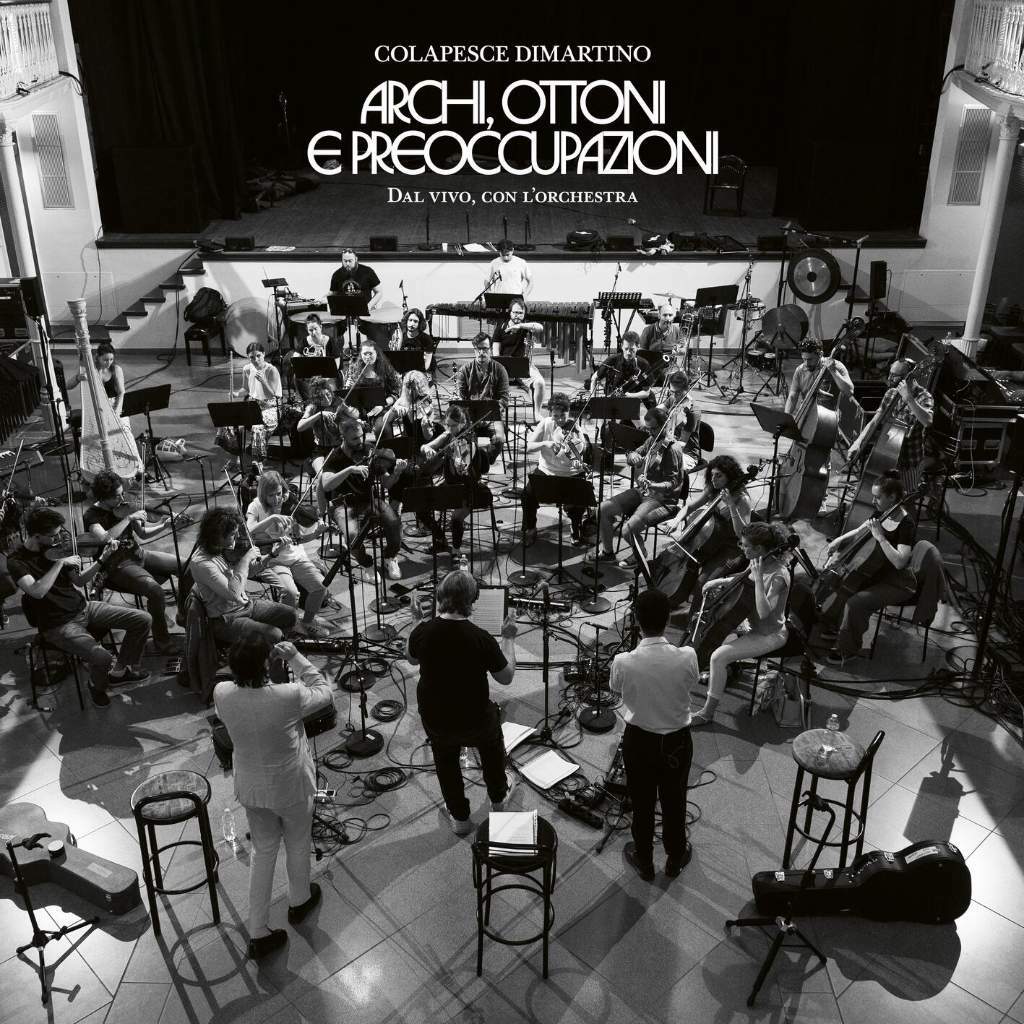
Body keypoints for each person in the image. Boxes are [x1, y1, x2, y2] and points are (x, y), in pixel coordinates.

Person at [213, 636, 329, 959]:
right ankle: (299, 901)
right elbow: (324, 691)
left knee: (263, 852)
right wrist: (295, 658)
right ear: (266, 663)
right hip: (290, 786)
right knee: (297, 842)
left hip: (252, 788)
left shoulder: (221, 692)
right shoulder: (287, 695)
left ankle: (258, 932)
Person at [406, 570, 518, 835]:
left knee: (445, 761)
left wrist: (416, 622)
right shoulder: (481, 637)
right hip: (475, 717)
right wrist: (509, 638)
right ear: (472, 600)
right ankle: (498, 799)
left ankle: (460, 819)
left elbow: (411, 658)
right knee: (491, 750)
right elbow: (506, 677)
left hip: (436, 716)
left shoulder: (423, 632)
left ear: (440, 596)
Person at [9, 506, 151, 708]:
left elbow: (80, 580)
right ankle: (96, 686)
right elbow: (37, 591)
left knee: (142, 619)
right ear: (37, 536)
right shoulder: (16, 561)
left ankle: (119, 673)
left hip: (84, 607)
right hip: (58, 624)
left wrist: (102, 559)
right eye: (53, 536)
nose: (58, 539)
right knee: (102, 658)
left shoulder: (57, 549)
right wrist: (59, 563)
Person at [609, 588, 696, 880]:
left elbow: (615, 689)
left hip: (639, 740)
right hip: (676, 742)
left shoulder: (623, 661)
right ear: (669, 619)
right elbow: (691, 683)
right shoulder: (688, 656)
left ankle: (644, 860)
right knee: (675, 800)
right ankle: (675, 857)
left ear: (636, 620)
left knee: (642, 801)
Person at [690, 521, 792, 726]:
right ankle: (715, 672)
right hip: (751, 624)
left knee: (718, 657)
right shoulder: (756, 561)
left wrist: (760, 579)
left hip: (769, 634)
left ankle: (707, 713)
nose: (742, 549)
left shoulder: (779, 576)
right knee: (714, 628)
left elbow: (764, 612)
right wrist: (719, 581)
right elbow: (744, 579)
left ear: (759, 549)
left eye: (745, 546)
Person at [82, 469, 191, 654]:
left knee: (187, 566)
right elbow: (106, 538)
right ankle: (162, 641)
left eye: (122, 493)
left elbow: (143, 534)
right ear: (104, 497)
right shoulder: (91, 516)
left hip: (137, 554)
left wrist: (164, 525)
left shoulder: (123, 508)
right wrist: (129, 518)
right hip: (116, 565)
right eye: (117, 496)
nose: (122, 498)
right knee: (155, 592)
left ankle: (183, 614)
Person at [819, 471, 916, 665]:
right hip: (876, 573)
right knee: (846, 585)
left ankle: (847, 649)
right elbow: (861, 529)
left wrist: (881, 537)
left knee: (856, 603)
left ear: (892, 497)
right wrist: (839, 540)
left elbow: (900, 562)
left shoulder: (906, 523)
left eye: (877, 497)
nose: (873, 501)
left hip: (896, 582)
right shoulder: (883, 511)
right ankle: (839, 627)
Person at [189, 507, 296, 644]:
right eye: (233, 534)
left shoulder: (221, 548)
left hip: (246, 605)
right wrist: (246, 559)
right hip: (226, 618)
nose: (238, 537)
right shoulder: (202, 563)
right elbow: (233, 593)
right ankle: (264, 651)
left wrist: (272, 554)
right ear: (218, 536)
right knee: (274, 634)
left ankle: (271, 648)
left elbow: (249, 572)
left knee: (290, 615)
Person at [245, 471, 333, 638]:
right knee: (290, 593)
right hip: (274, 559)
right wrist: (272, 518)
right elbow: (249, 530)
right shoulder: (255, 506)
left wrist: (316, 533)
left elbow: (299, 540)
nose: (277, 499)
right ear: (263, 494)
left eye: (279, 493)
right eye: (271, 495)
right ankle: (289, 628)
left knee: (320, 587)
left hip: (295, 557)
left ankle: (307, 622)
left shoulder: (289, 503)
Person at [659, 455, 753, 608]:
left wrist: (731, 506)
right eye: (712, 475)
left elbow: (742, 535)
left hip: (732, 548)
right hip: (709, 543)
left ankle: (695, 617)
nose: (713, 479)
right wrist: (676, 520)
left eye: (719, 476)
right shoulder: (713, 489)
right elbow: (689, 507)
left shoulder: (742, 499)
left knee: (703, 583)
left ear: (730, 476)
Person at [597, 407, 687, 567]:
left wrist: (652, 484)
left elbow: (672, 483)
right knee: (603, 509)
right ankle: (607, 552)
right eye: (648, 429)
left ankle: (640, 554)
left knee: (627, 530)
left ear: (665, 425)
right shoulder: (652, 440)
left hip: (662, 500)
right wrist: (633, 456)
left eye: (654, 429)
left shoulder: (673, 449)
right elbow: (634, 453)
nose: (651, 432)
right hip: (643, 491)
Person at [319, 417, 406, 580]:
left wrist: (396, 473)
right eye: (355, 439)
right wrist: (349, 470)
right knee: (353, 538)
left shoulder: (369, 451)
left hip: (369, 500)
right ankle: (367, 564)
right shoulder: (335, 456)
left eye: (361, 436)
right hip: (344, 505)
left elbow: (386, 483)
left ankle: (390, 557)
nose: (360, 441)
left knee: (394, 523)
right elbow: (326, 484)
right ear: (343, 438)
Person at [420, 403, 494, 563]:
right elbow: (424, 446)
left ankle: (456, 549)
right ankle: (440, 538)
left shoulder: (470, 443)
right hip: (449, 485)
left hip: (468, 488)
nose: (450, 428)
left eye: (453, 426)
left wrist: (457, 460)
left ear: (463, 423)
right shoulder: (448, 435)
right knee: (420, 506)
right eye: (447, 424)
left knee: (456, 518)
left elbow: (462, 471)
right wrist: (427, 449)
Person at [847, 358, 935, 490]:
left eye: (895, 376)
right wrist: (858, 443)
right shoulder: (891, 393)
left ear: (909, 377)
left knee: (905, 496)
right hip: (886, 453)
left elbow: (927, 421)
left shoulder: (924, 397)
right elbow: (875, 421)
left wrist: (909, 398)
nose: (889, 378)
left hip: (909, 460)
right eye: (890, 374)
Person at [522, 391, 591, 547]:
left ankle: (575, 527)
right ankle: (531, 528)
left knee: (580, 496)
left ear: (569, 412)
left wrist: (577, 457)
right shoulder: (546, 424)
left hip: (570, 474)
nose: (559, 420)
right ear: (550, 413)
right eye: (556, 416)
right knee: (527, 495)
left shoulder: (575, 428)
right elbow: (528, 447)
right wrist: (545, 443)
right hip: (546, 471)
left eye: (563, 416)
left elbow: (581, 452)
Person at [491, 297, 546, 422]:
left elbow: (540, 327)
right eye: (515, 312)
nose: (517, 315)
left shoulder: (526, 327)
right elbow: (495, 352)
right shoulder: (500, 328)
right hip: (504, 366)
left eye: (521, 313)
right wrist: (500, 370)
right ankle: (496, 414)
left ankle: (537, 414)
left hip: (523, 366)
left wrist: (520, 326)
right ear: (510, 313)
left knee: (540, 383)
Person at [454, 331, 508, 456]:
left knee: (499, 439)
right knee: (461, 438)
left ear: (490, 350)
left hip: (492, 417)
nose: (481, 352)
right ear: (474, 350)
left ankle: (484, 460)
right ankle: (474, 460)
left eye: (485, 349)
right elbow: (461, 398)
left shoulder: (500, 370)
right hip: (470, 417)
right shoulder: (464, 370)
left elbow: (504, 399)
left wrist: (488, 415)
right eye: (478, 349)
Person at [783, 337, 854, 417]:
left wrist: (833, 371)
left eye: (810, 359)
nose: (806, 364)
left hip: (830, 416)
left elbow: (849, 392)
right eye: (804, 359)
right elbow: (792, 397)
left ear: (820, 354)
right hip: (807, 414)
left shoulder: (836, 366)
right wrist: (786, 418)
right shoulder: (800, 370)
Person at [235, 342, 283, 459]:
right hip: (253, 405)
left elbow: (274, 395)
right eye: (252, 357)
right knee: (229, 422)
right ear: (248, 357)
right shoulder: (247, 369)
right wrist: (236, 393)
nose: (255, 360)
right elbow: (245, 389)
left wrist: (264, 381)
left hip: (271, 406)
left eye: (258, 356)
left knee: (257, 427)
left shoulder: (271, 370)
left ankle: (258, 460)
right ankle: (237, 455)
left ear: (264, 354)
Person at [329, 249, 381, 349]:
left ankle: (371, 351)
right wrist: (324, 298)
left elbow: (379, 292)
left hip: (365, 310)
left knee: (373, 333)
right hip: (344, 311)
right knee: (335, 330)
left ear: (356, 259)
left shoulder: (367, 271)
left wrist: (369, 306)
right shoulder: (337, 274)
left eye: (350, 261)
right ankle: (338, 352)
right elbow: (333, 293)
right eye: (345, 261)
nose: (347, 264)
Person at [589, 332, 653, 404]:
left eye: (632, 349)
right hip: (612, 400)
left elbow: (646, 392)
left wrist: (629, 396)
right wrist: (593, 401)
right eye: (626, 349)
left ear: (638, 347)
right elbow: (594, 378)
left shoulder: (643, 364)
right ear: (621, 346)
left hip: (634, 400)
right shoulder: (612, 360)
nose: (628, 353)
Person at [659, 369, 701, 471]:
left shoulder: (692, 411)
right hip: (670, 444)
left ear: (687, 389)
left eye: (678, 393)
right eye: (672, 392)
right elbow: (659, 409)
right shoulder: (673, 398)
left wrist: (662, 449)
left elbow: (682, 443)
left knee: (660, 465)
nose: (674, 395)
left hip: (687, 454)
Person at [640, 305, 683, 383]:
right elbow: (641, 353)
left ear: (673, 317)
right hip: (652, 367)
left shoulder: (677, 330)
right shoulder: (648, 330)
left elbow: (683, 349)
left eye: (670, 315)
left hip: (669, 367)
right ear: (659, 316)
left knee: (680, 379)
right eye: (665, 315)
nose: (668, 318)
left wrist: (679, 350)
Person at [399, 308, 437, 372]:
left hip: (423, 369)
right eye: (410, 320)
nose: (412, 324)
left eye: (415, 321)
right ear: (406, 321)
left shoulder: (427, 339)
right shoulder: (401, 337)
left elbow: (427, 364)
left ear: (420, 323)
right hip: (407, 368)